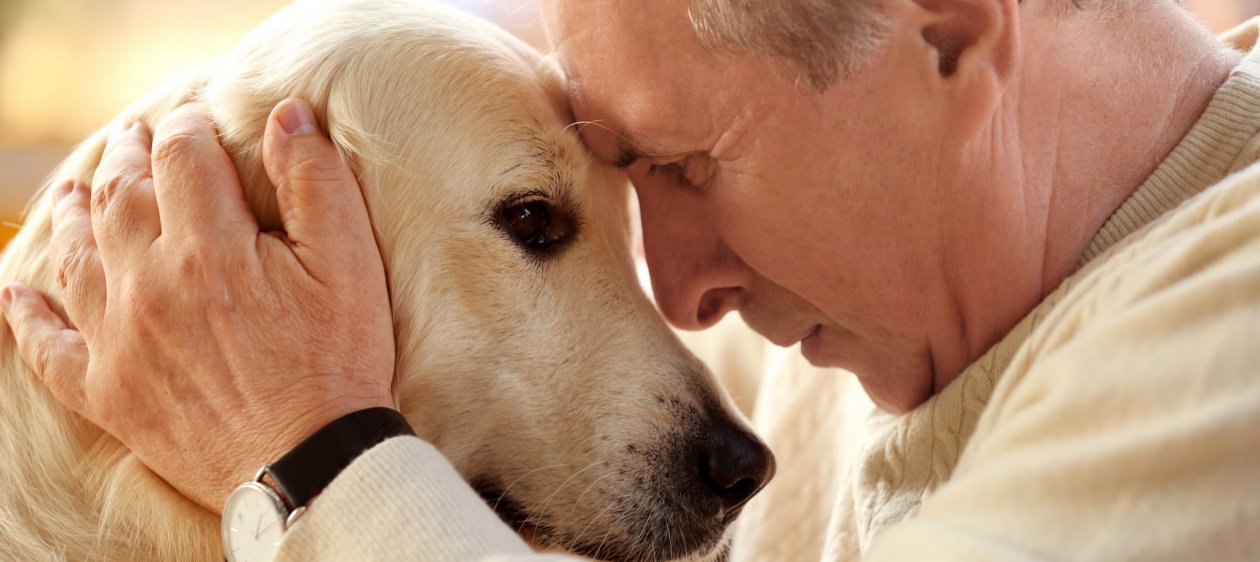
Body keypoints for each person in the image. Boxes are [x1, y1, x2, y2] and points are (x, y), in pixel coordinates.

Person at [3, 0, 1260, 560]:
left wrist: (309, 455)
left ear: (943, 29)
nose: (685, 287)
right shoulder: (866, 308)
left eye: (690, 165)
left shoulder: (1226, 336)